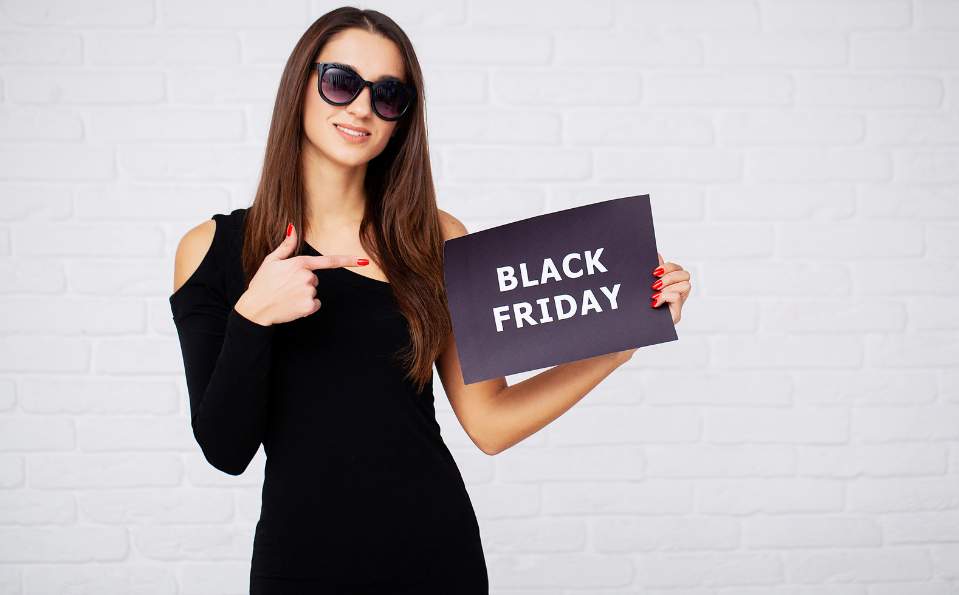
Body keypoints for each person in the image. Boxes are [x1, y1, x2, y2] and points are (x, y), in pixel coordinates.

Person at [168, 7, 691, 594]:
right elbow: (225, 448)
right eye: (341, 82)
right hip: (301, 566)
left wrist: (615, 345)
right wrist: (253, 317)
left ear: (402, 117)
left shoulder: (436, 239)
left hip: (436, 560)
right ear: (301, 85)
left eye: (388, 95)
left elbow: (490, 423)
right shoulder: (211, 250)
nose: (362, 107)